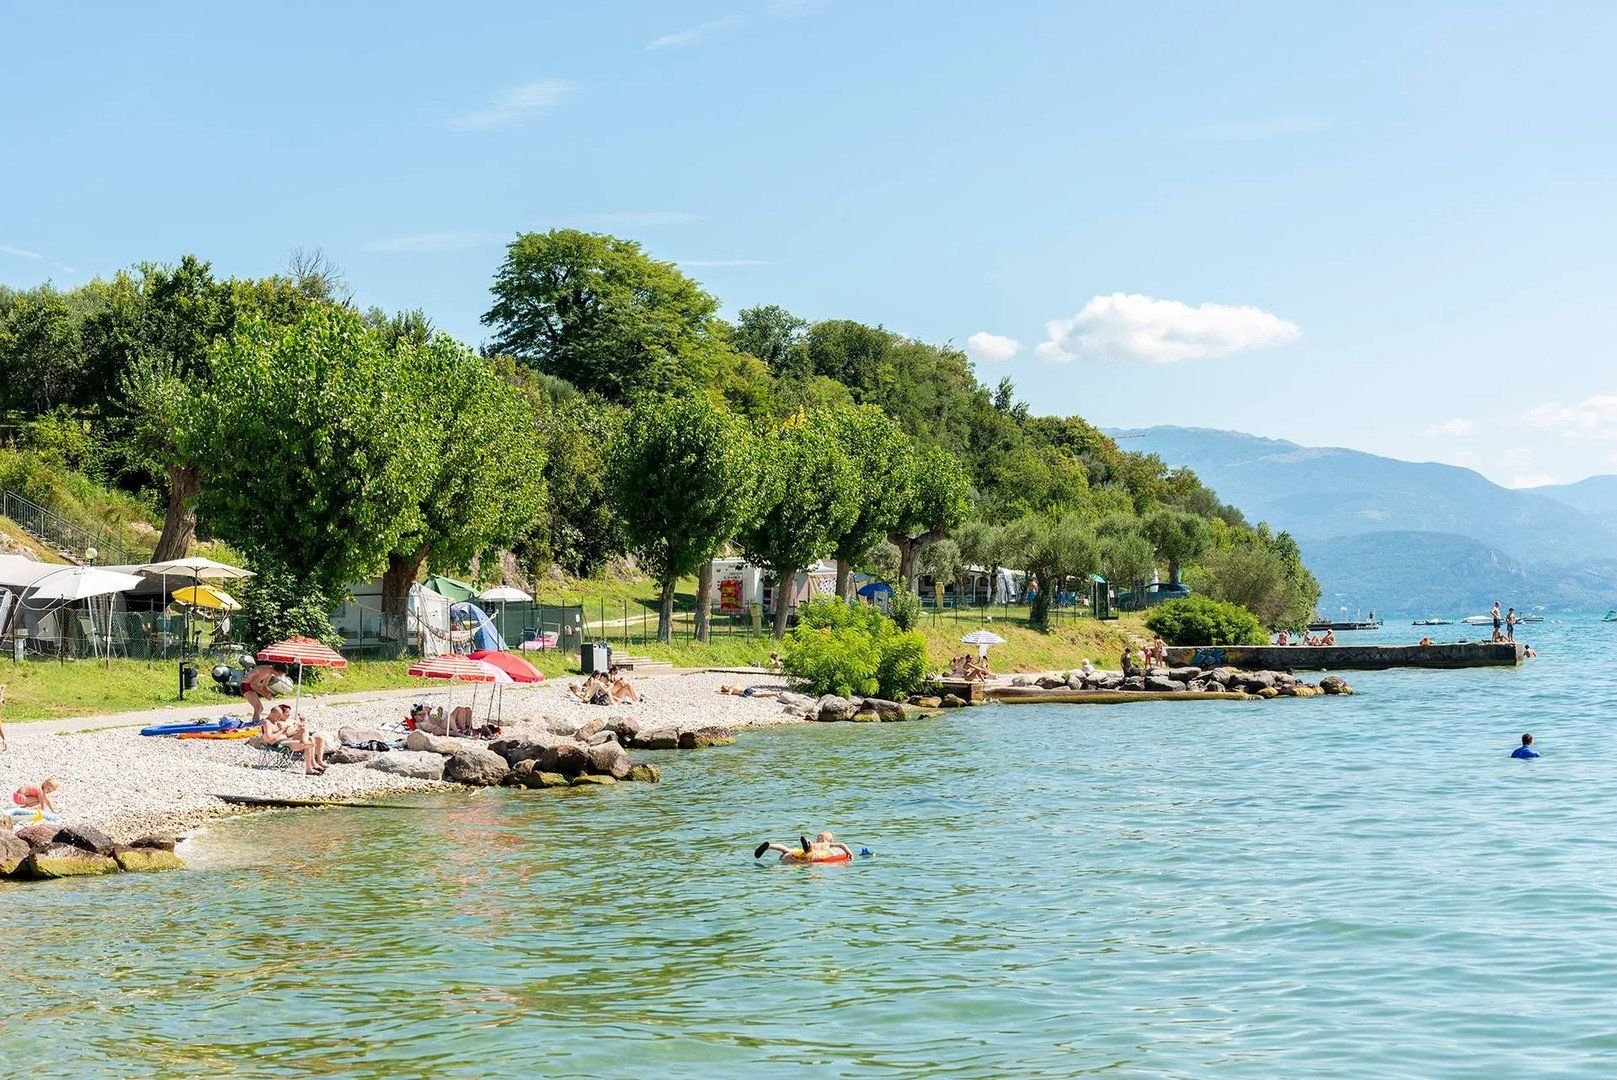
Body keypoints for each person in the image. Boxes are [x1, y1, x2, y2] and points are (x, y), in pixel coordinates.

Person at [262, 703, 327, 774]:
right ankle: (309, 768)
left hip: (285, 740)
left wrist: (300, 724)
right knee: (307, 744)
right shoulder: (267, 723)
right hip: (278, 743)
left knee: (307, 738)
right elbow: (269, 738)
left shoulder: (275, 722)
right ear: (272, 714)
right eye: (278, 716)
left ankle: (311, 766)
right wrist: (281, 731)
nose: (278, 718)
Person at [755, 831, 856, 863]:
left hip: (800, 851)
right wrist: (850, 854)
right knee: (811, 850)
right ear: (830, 840)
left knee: (786, 849)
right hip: (811, 852)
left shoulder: (816, 843)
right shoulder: (829, 845)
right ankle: (808, 845)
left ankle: (770, 846)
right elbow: (842, 845)